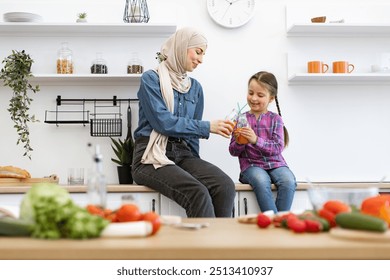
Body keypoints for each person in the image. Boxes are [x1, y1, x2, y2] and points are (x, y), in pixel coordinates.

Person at [132, 27, 236, 218]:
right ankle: (204, 247)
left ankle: (220, 245)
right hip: (150, 156)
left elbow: (192, 137)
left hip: (184, 155)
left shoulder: (195, 88)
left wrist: (197, 165)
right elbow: (163, 122)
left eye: (204, 54)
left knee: (225, 186)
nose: (201, 59)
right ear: (181, 47)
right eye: (198, 52)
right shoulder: (151, 79)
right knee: (197, 192)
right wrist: (207, 126)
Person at [229, 71, 296, 213]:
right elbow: (233, 151)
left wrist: (255, 140)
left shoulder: (275, 119)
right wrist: (241, 142)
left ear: (271, 98)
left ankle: (280, 220)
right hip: (251, 166)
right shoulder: (241, 119)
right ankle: (273, 222)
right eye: (251, 93)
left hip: (276, 164)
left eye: (260, 95)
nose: (253, 98)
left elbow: (278, 147)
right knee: (261, 180)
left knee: (288, 181)